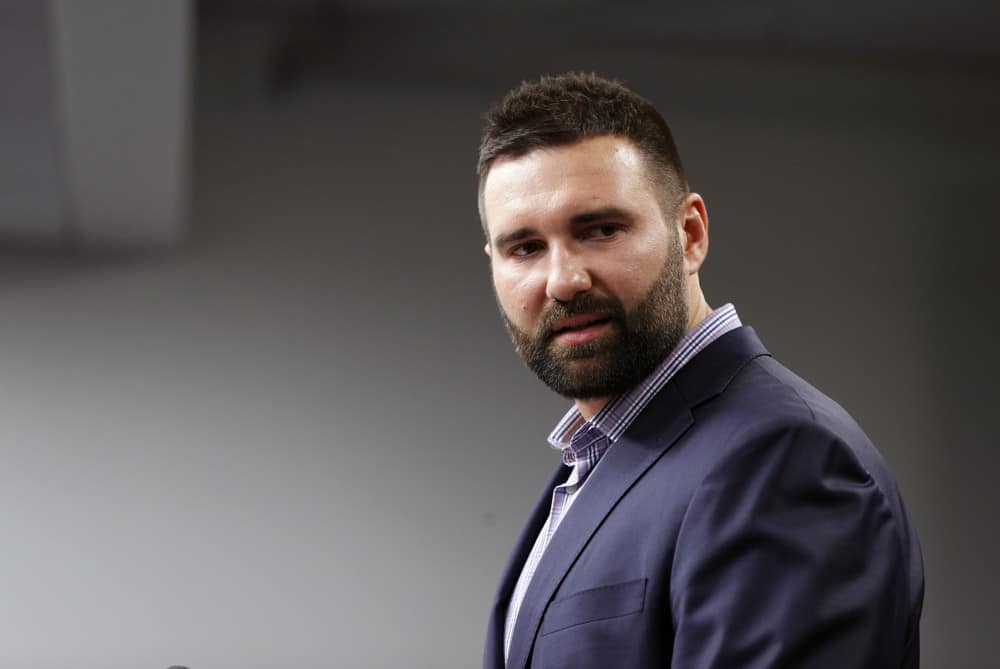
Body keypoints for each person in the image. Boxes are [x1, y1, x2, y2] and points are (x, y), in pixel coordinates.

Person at [477, 73, 923, 669]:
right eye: (525, 248)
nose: (562, 280)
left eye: (601, 230)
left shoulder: (783, 457)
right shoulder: (597, 461)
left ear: (690, 234)